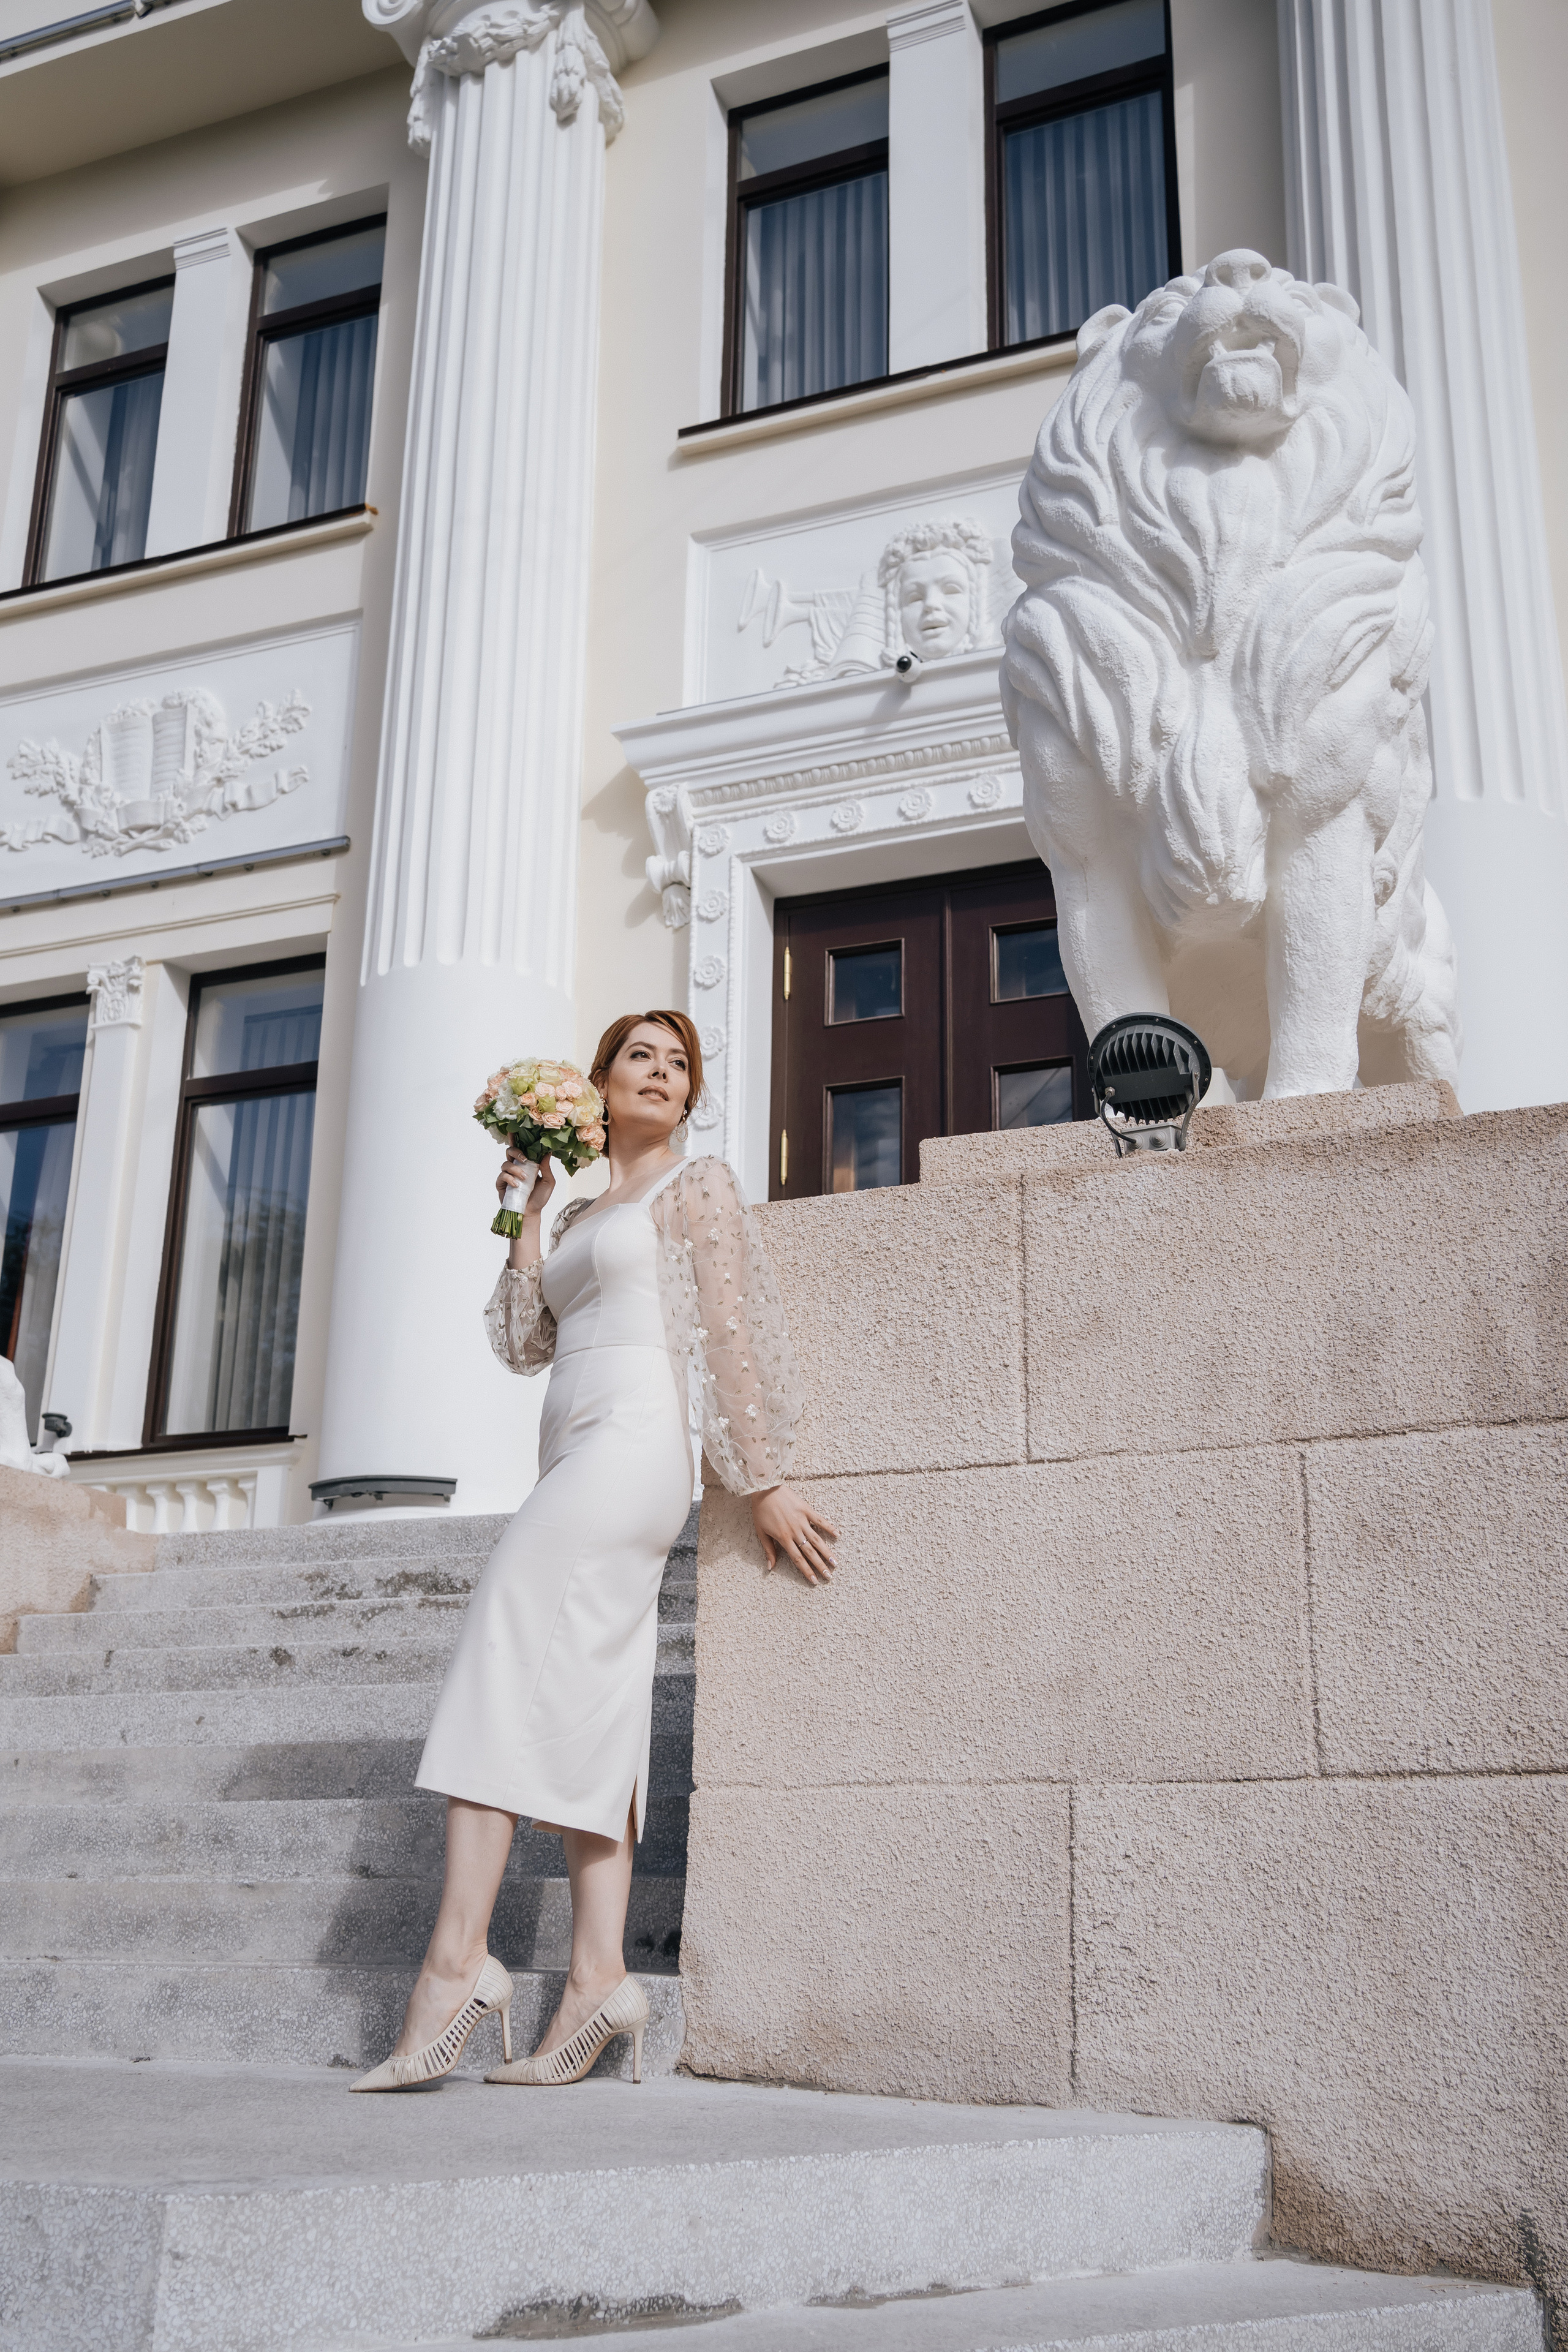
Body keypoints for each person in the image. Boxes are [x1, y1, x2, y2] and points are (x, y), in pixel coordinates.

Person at [352, 1011, 837, 2092]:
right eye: (641, 1059)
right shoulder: (579, 1207)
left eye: (680, 1065)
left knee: (497, 1648)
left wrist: (760, 1477)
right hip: (569, 1440)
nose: (662, 1075)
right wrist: (526, 1210)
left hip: (636, 1443)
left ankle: (457, 1965)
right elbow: (526, 1343)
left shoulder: (695, 1186)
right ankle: (597, 1982)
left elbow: (731, 1326)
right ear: (599, 1085)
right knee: (599, 1702)